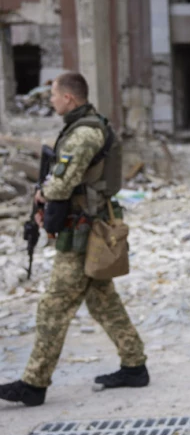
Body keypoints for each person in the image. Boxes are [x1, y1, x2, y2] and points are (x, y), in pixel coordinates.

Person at [0, 72, 149, 407]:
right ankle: (134, 365)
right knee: (102, 300)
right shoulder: (83, 127)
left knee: (54, 306)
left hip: (85, 232)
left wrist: (43, 194)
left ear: (68, 98)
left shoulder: (83, 134)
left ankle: (34, 384)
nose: (51, 100)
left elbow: (62, 185)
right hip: (85, 226)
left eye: (53, 95)